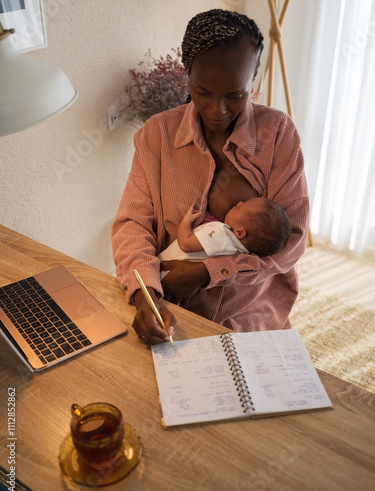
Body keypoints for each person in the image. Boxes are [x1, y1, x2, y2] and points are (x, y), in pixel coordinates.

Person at [112, 9, 309, 345]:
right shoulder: (156, 135)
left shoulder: (277, 133)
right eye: (203, 92)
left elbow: (291, 240)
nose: (218, 110)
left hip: (254, 310)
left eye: (235, 95)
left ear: (253, 82)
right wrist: (146, 294)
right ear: (187, 75)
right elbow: (133, 225)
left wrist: (209, 272)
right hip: (173, 306)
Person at [159, 198, 292, 276]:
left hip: (162, 271)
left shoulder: (221, 234)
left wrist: (186, 221)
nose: (239, 202)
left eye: (240, 208)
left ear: (240, 232)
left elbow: (185, 244)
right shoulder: (241, 254)